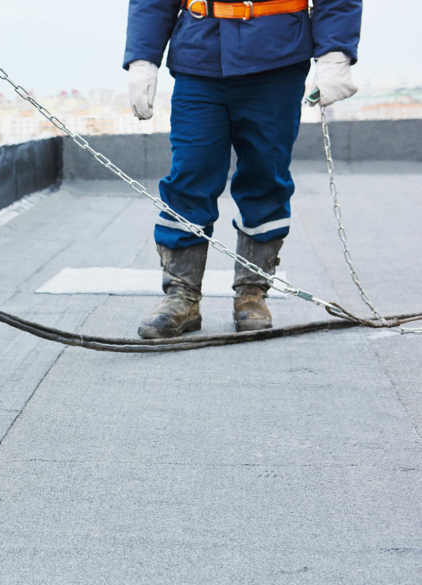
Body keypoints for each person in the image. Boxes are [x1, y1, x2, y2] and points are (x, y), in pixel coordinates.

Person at [124, 0, 362, 338]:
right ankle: (181, 296)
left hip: (277, 57)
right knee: (190, 171)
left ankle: (252, 292)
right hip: (200, 57)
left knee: (265, 177)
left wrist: (335, 51)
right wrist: (143, 57)